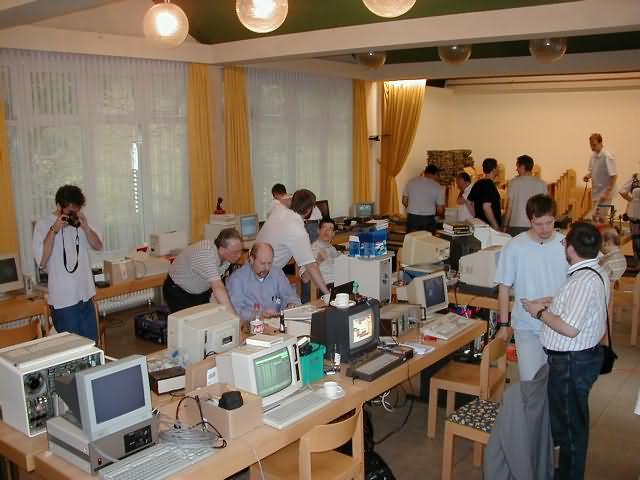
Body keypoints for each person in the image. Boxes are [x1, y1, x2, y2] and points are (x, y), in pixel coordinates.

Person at [522, 222, 608, 480]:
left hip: (572, 363)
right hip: (580, 359)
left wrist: (538, 312)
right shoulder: (594, 271)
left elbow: (569, 328)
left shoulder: (582, 281)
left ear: (570, 249)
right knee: (572, 421)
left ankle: (569, 475)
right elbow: (581, 309)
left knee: (571, 429)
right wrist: (553, 302)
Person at [495, 194, 568, 381]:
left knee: (557, 383)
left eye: (549, 223)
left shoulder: (566, 244)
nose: (544, 229)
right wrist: (503, 325)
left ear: (555, 218)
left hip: (559, 324)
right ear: (529, 221)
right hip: (526, 325)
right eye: (538, 224)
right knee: (530, 381)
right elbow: (504, 287)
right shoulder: (515, 246)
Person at [32, 185, 103, 341]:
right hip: (63, 301)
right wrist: (53, 230)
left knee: (92, 345)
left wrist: (85, 227)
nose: (73, 214)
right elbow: (42, 261)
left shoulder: (80, 221)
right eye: (70, 210)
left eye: (76, 210)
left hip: (86, 295)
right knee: (73, 349)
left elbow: (98, 246)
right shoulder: (43, 225)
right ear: (59, 206)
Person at [256, 188, 330, 296]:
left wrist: (296, 198)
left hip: (250, 269)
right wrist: (327, 294)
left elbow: (283, 200)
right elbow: (311, 267)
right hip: (262, 278)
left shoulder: (279, 208)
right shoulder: (298, 231)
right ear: (309, 209)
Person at [163, 228, 243, 313]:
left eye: (240, 250)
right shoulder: (206, 255)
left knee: (205, 318)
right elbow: (218, 286)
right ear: (222, 250)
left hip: (200, 291)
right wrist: (234, 317)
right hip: (178, 291)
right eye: (235, 252)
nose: (239, 255)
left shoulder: (226, 255)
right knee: (188, 320)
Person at [226, 242, 301, 328]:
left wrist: (290, 304)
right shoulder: (237, 279)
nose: (267, 268)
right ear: (251, 259)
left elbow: (290, 295)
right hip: (251, 327)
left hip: (277, 325)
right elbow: (235, 312)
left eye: (269, 263)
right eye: (262, 263)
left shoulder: (277, 273)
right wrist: (258, 314)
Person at [503, 154, 547, 237]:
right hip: (536, 225)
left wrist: (505, 226)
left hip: (516, 225)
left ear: (522, 167)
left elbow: (509, 207)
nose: (516, 169)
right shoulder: (542, 184)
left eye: (517, 167)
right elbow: (545, 207)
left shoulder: (513, 183)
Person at [401, 164, 445, 233]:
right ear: (436, 174)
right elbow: (440, 210)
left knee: (412, 239)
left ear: (425, 172)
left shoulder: (411, 182)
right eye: (438, 175)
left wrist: (413, 209)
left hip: (412, 218)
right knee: (427, 240)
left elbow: (404, 201)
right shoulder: (438, 187)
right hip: (428, 220)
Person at [583, 133, 617, 221]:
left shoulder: (607, 156)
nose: (592, 147)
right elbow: (593, 172)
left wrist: (607, 192)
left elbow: (614, 175)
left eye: (594, 145)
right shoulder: (593, 156)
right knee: (595, 218)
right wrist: (588, 176)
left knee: (600, 218)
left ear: (601, 143)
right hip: (596, 192)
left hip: (605, 193)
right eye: (591, 145)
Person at [301, 217, 340, 290]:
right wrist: (318, 261)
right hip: (328, 286)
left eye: (330, 229)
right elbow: (305, 278)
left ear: (333, 233)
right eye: (324, 227)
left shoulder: (332, 248)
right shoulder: (311, 250)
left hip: (340, 282)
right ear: (318, 231)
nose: (327, 231)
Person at [468, 158, 502, 230]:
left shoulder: (478, 183)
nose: (498, 169)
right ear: (494, 169)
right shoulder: (489, 184)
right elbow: (486, 207)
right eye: (497, 167)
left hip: (480, 225)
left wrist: (476, 216)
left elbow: (468, 202)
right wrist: (495, 225)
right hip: (489, 228)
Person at [619, 172, 640, 264]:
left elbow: (622, 191)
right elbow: (622, 191)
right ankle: (637, 262)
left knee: (636, 238)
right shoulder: (634, 178)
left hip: (635, 210)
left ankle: (637, 263)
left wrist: (633, 200)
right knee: (636, 239)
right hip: (634, 211)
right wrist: (631, 200)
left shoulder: (635, 179)